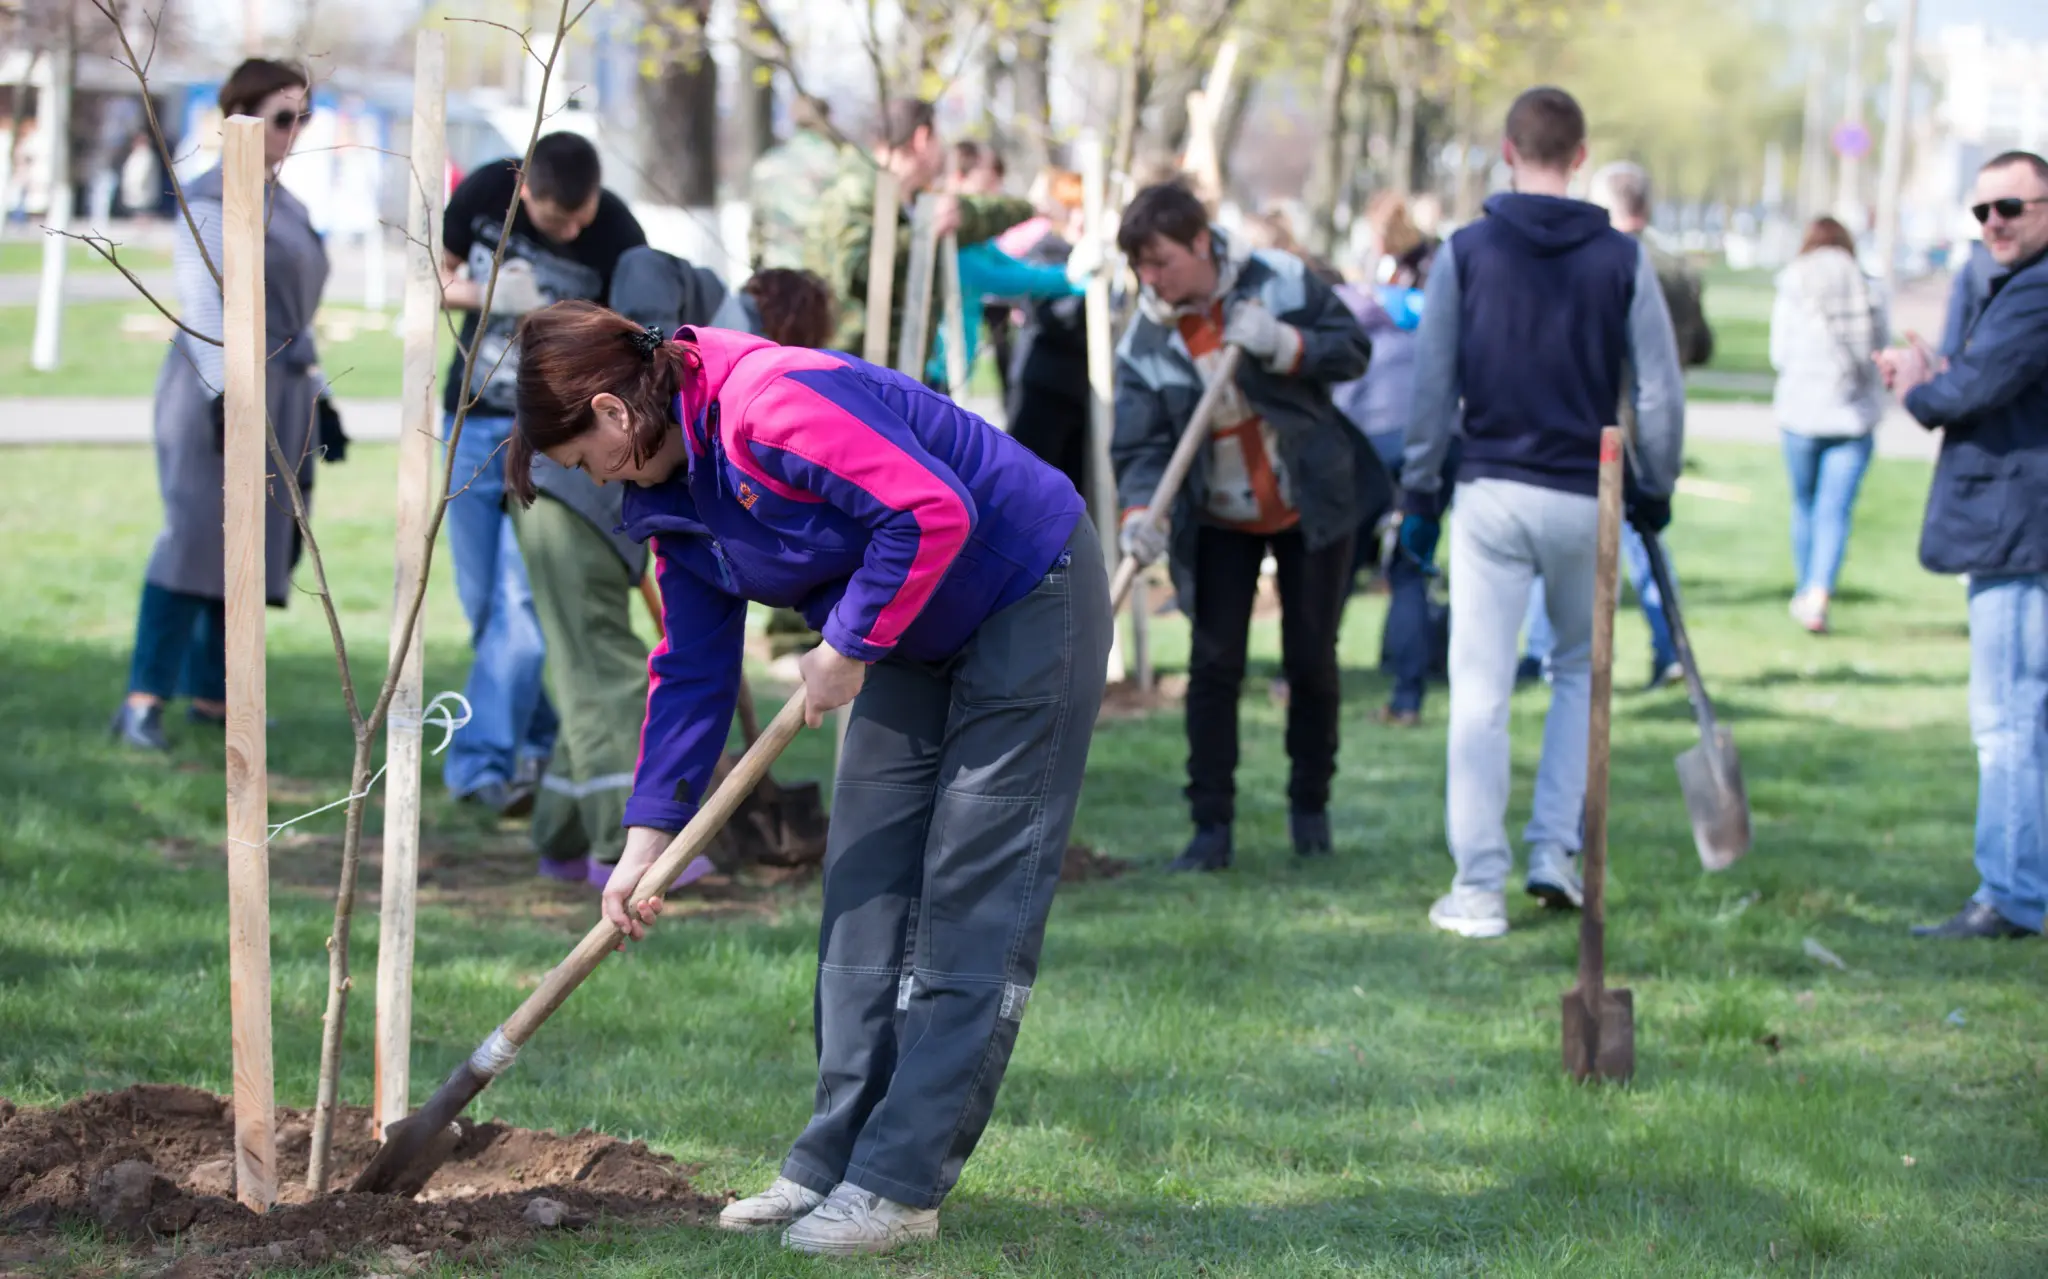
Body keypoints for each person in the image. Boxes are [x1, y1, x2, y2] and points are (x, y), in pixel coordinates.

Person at [506, 302, 1110, 1253]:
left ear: (615, 413)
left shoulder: (769, 408)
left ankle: (898, 1188)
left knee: (969, 903)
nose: (592, 477)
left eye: (582, 457)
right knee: (863, 888)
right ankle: (829, 1162)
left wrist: (850, 639)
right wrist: (645, 842)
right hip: (912, 624)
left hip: (1025, 587)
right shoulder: (674, 493)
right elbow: (691, 669)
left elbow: (930, 509)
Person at [1400, 87, 1685, 939]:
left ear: (1505, 148)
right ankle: (1552, 849)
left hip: (1491, 489)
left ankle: (1479, 886)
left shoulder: (1465, 251)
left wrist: (1419, 491)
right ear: (1582, 153)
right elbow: (1660, 391)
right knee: (1576, 674)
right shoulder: (1623, 259)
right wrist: (1657, 484)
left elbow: (1429, 386)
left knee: (1482, 689)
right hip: (1585, 492)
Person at [512, 266, 837, 890]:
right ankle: (612, 842)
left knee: (592, 669)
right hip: (568, 515)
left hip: (629, 510)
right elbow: (637, 285)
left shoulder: (757, 394)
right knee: (601, 673)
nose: (598, 474)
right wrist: (644, 851)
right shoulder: (690, 307)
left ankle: (560, 838)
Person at [1112, 180, 1385, 871]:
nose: (1151, 277)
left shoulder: (1282, 279)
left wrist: (1284, 342)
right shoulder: (1145, 341)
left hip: (1310, 502)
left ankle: (1310, 809)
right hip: (1217, 517)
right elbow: (1141, 450)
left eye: (1162, 260)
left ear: (1202, 243)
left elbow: (1351, 349)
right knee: (1213, 664)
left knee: (1310, 658)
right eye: (1139, 265)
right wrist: (1141, 516)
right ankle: (1211, 827)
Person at [111, 60, 336, 751]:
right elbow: (206, 306)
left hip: (282, 389)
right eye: (282, 117)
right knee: (193, 542)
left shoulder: (288, 203)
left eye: (304, 116)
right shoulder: (211, 197)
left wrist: (319, 397)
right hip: (215, 392)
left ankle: (216, 695)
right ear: (240, 116)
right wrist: (224, 397)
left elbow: (296, 312)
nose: (295, 131)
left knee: (251, 546)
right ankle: (142, 701)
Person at [436, 131, 647, 814]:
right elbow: (433, 282)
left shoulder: (615, 229)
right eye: (562, 220)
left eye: (582, 215)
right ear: (526, 191)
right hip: (472, 417)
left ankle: (479, 765)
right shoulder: (482, 197)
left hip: (553, 439)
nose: (576, 229)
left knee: (523, 608)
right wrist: (494, 295)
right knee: (485, 608)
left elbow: (631, 339)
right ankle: (542, 744)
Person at [1878, 150, 2048, 941]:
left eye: (2011, 208)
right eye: (1981, 213)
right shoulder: (2010, 287)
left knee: (2008, 718)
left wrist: (1919, 381)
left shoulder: (2037, 292)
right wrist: (1935, 369)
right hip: (2018, 529)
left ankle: (2011, 897)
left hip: (2021, 533)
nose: (1994, 225)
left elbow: (1964, 393)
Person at [1518, 161, 1707, 690]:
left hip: (1600, 420)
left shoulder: (1599, 263)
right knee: (1641, 543)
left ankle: (1545, 653)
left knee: (1563, 542)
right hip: (1647, 422)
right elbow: (1700, 345)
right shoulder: (1676, 266)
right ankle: (1666, 647)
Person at [803, 99, 1030, 361]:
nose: (943, 151)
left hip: (892, 368)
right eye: (938, 139)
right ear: (922, 139)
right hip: (855, 369)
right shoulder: (858, 192)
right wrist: (923, 233)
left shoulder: (909, 196)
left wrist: (1029, 208)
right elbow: (859, 271)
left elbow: (975, 215)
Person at [1333, 231, 1445, 726]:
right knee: (1409, 570)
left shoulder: (1334, 314)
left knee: (1336, 566)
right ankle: (1406, 699)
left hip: (1367, 444)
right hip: (1430, 441)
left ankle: (1299, 679)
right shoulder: (1410, 310)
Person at [1770, 215, 1888, 634]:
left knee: (1805, 505)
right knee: (1834, 511)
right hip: (1852, 414)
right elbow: (1880, 352)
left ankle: (1806, 590)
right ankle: (1818, 594)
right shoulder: (1867, 285)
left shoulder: (1794, 281)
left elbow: (1779, 351)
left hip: (1801, 411)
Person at [748, 95, 846, 271]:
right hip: (821, 273)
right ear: (826, 120)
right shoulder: (837, 163)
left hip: (775, 271)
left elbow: (756, 228)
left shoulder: (768, 164)